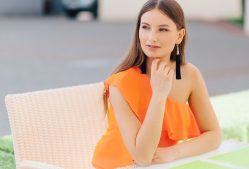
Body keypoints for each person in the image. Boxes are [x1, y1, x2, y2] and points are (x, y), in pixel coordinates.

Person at [92, 0, 221, 168]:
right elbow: (143, 157)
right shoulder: (121, 84)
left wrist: (174, 152)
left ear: (179, 35)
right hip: (117, 165)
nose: (151, 37)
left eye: (163, 29)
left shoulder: (190, 75)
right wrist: (159, 95)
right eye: (145, 27)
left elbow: (214, 135)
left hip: (163, 165)